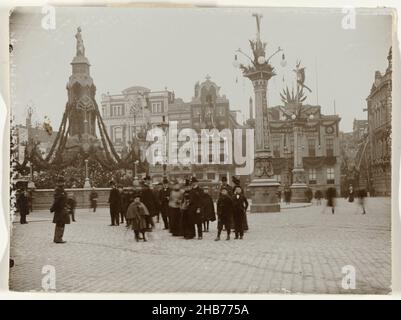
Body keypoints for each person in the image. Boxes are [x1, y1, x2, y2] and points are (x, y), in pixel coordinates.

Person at [50, 176, 70, 244]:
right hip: (60, 210)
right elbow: (57, 201)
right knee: (60, 224)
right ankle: (58, 238)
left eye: (63, 182)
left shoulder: (62, 190)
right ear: (58, 183)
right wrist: (52, 208)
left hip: (63, 209)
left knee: (61, 224)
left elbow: (64, 200)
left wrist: (67, 206)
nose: (62, 183)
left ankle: (58, 238)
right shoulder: (58, 190)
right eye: (61, 182)